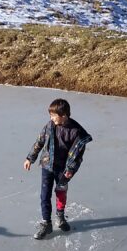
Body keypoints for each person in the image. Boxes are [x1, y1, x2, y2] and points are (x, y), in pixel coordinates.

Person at [23, 98, 93, 240]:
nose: (51, 118)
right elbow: (39, 142)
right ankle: (46, 223)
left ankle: (60, 217)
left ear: (64, 115)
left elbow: (78, 155)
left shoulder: (76, 132)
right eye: (50, 115)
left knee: (60, 192)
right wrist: (30, 158)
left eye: (54, 115)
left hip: (63, 169)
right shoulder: (49, 126)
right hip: (47, 165)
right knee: (44, 195)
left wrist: (70, 170)